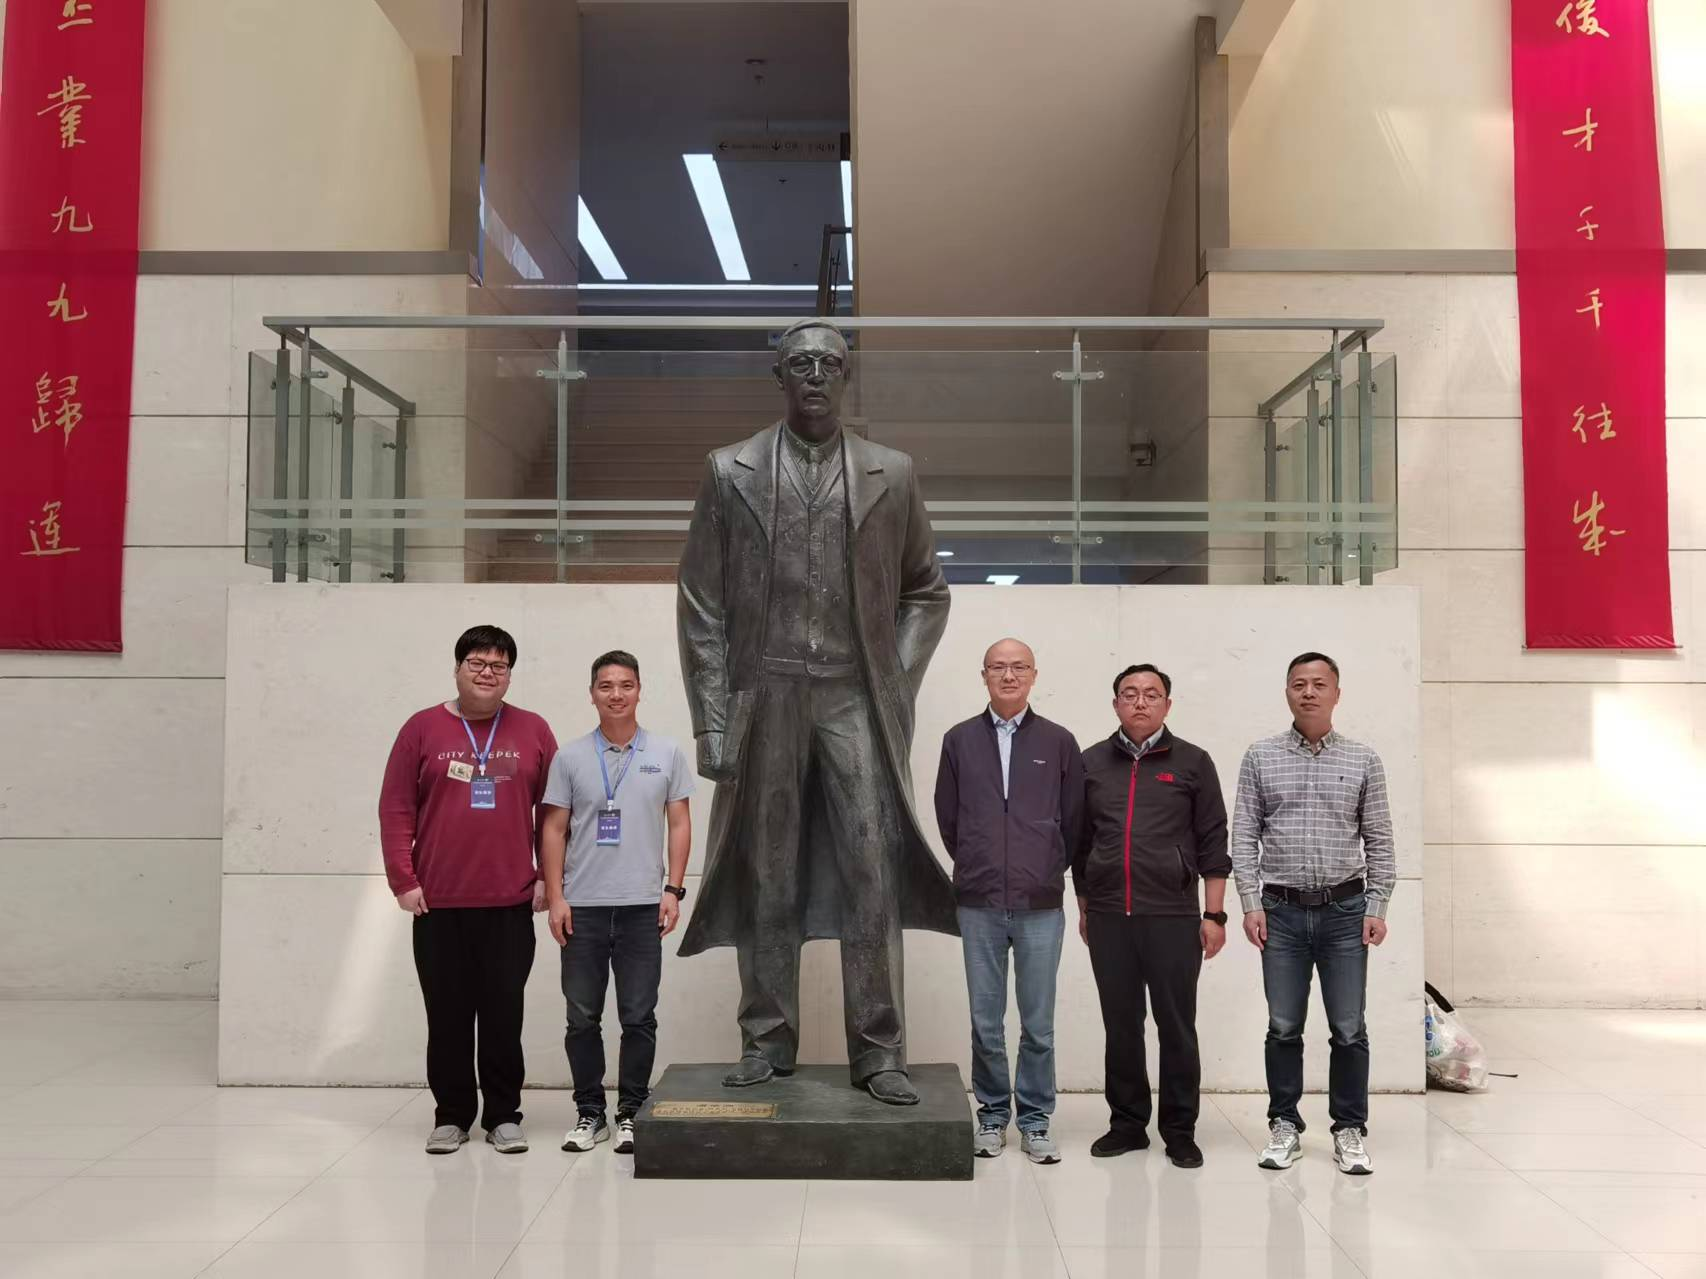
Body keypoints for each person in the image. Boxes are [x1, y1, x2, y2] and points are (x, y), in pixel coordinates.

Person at [675, 318, 956, 1106]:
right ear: (778, 376)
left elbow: (926, 593)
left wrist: (892, 681)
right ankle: (766, 1039)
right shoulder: (728, 471)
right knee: (769, 867)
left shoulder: (891, 473)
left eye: (829, 363)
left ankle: (880, 1047)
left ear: (846, 374)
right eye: (799, 362)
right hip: (766, 694)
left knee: (872, 865)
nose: (814, 375)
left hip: (852, 695)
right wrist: (712, 719)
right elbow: (701, 602)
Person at [379, 624, 557, 1156]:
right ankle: (452, 1116)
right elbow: (396, 808)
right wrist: (403, 879)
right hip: (438, 902)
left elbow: (553, 814)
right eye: (477, 663)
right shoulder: (421, 728)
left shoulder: (533, 730)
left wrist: (548, 877)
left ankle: (503, 1115)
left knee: (503, 1014)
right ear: (457, 669)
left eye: (499, 666)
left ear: (510, 676)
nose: (487, 673)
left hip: (509, 901)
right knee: (448, 1016)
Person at [1232, 651, 1395, 1177]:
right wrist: (1250, 903)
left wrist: (1377, 904)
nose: (1308, 692)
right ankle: (1284, 1125)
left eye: (1319, 684)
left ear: (1336, 694)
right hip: (1279, 912)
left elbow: (1379, 838)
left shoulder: (1363, 759)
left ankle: (1349, 1129)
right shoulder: (1260, 756)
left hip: (1346, 912)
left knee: (1348, 1027)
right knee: (1283, 1026)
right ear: (1287, 692)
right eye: (1299, 683)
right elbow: (1244, 834)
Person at [1074, 663, 1231, 1169]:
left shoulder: (1193, 762)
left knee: (1176, 1025)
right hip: (1108, 916)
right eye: (1129, 693)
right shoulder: (1090, 762)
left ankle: (1179, 1130)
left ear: (1167, 704)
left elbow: (1213, 839)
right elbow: (1080, 842)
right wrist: (1085, 906)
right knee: (1121, 1025)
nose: (1140, 702)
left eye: (1151, 694)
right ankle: (1127, 1125)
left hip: (1173, 916)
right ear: (1115, 703)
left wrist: (1214, 915)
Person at [934, 638, 1084, 1164]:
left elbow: (1075, 819)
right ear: (984, 675)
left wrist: (1044, 865)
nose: (1009, 675)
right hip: (978, 902)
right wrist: (978, 862)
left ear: (1034, 674)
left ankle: (1036, 1119)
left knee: (1038, 1024)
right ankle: (993, 1114)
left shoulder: (1059, 741)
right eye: (998, 667)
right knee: (986, 1020)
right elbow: (948, 817)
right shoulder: (959, 740)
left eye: (1019, 667)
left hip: (1040, 902)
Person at [540, 650, 694, 1155]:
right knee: (582, 1017)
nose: (616, 694)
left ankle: (630, 1111)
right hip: (581, 908)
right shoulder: (569, 757)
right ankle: (590, 1113)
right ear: (592, 694)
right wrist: (556, 897)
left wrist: (673, 890)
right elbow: (554, 830)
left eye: (626, 685)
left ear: (639, 690)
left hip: (642, 907)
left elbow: (679, 822)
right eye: (605, 686)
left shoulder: (666, 753)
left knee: (638, 1016)